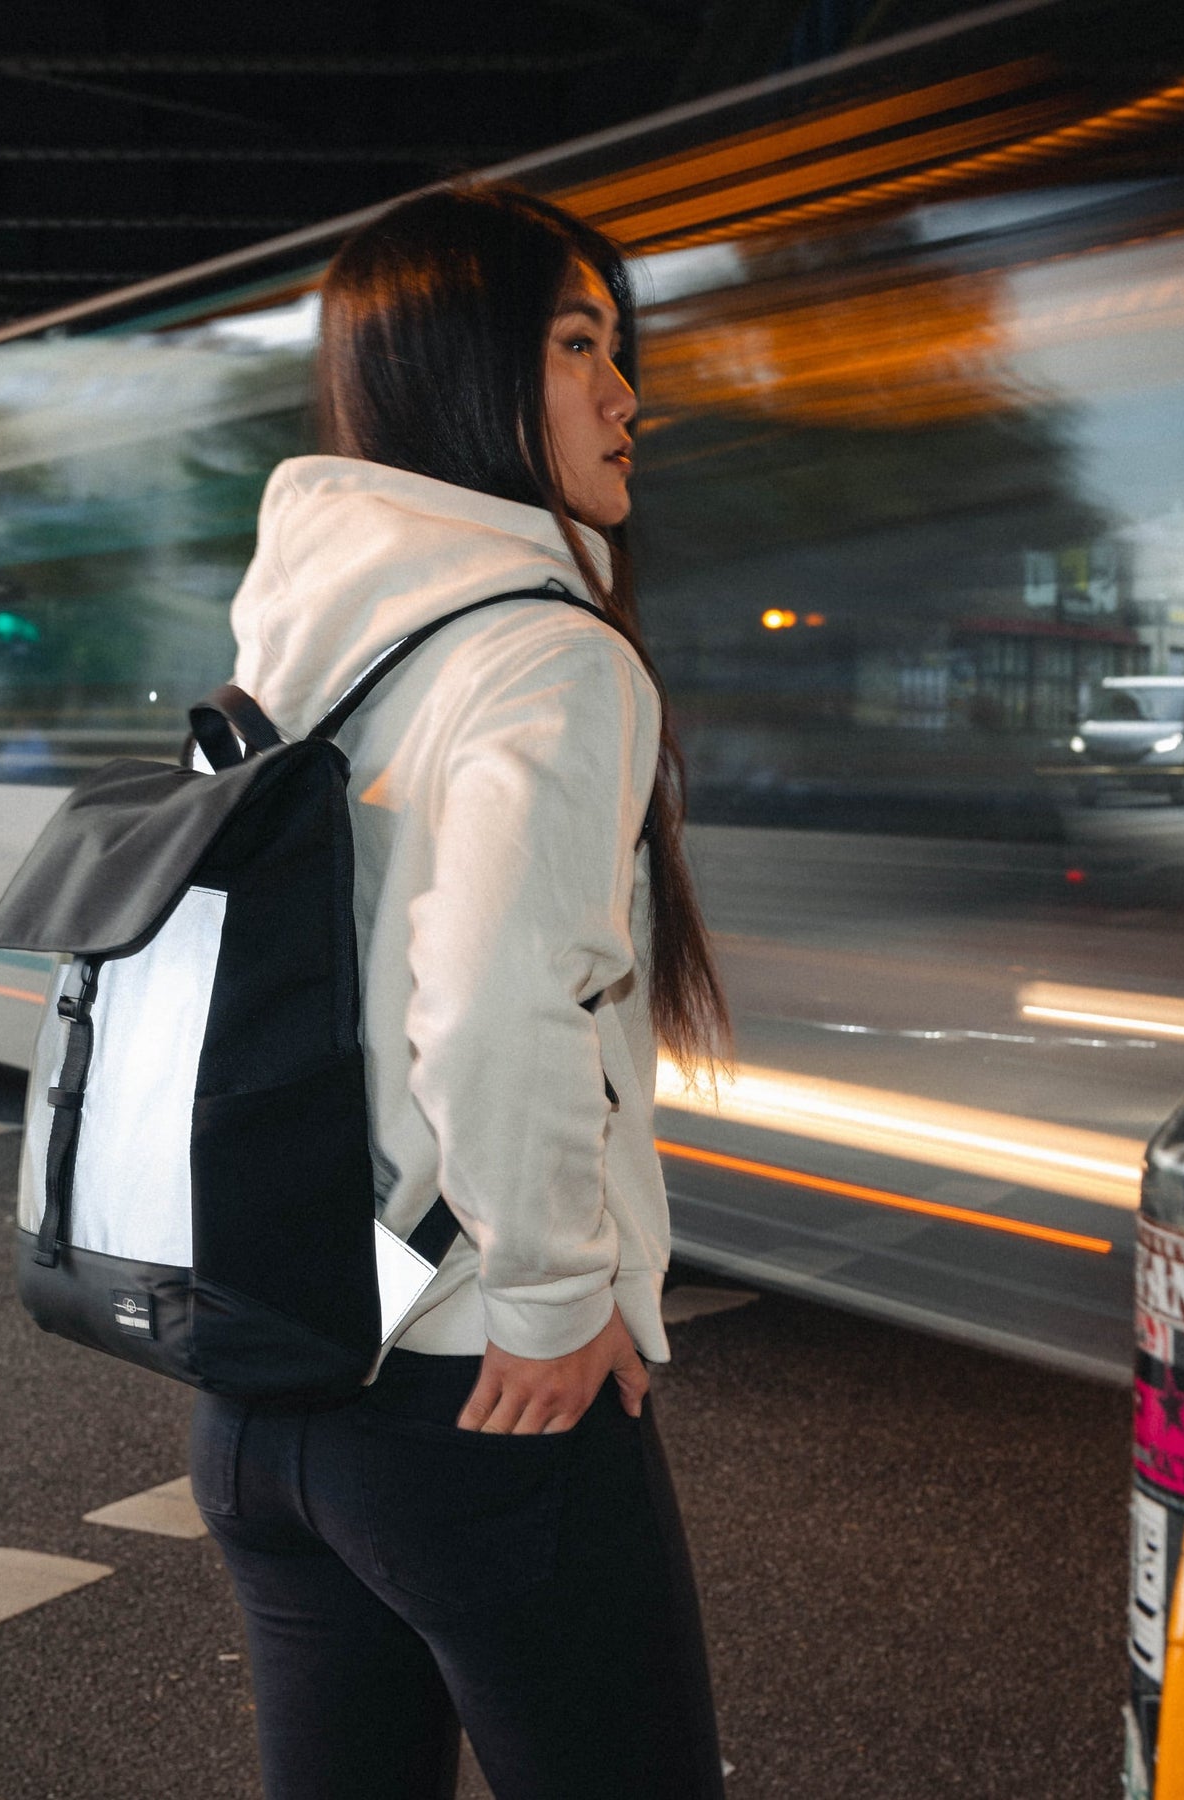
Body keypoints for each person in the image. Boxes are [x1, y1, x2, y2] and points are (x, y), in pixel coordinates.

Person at [190, 183, 731, 1800]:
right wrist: (561, 1296)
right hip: (474, 1397)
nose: (627, 393)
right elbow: (493, 997)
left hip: (265, 1394)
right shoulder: (545, 655)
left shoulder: (308, 644)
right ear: (459, 373)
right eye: (579, 347)